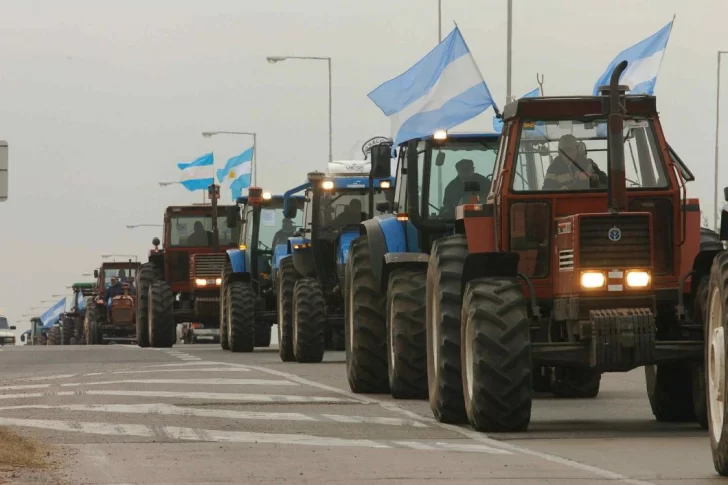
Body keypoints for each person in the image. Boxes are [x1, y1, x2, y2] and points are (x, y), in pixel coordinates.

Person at [542, 135, 608, 190]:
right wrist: (559, 191)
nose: (567, 154)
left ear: (576, 150)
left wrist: (593, 177)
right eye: (564, 151)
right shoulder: (553, 168)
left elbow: (605, 181)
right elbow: (546, 189)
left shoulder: (588, 163)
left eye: (570, 150)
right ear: (560, 153)